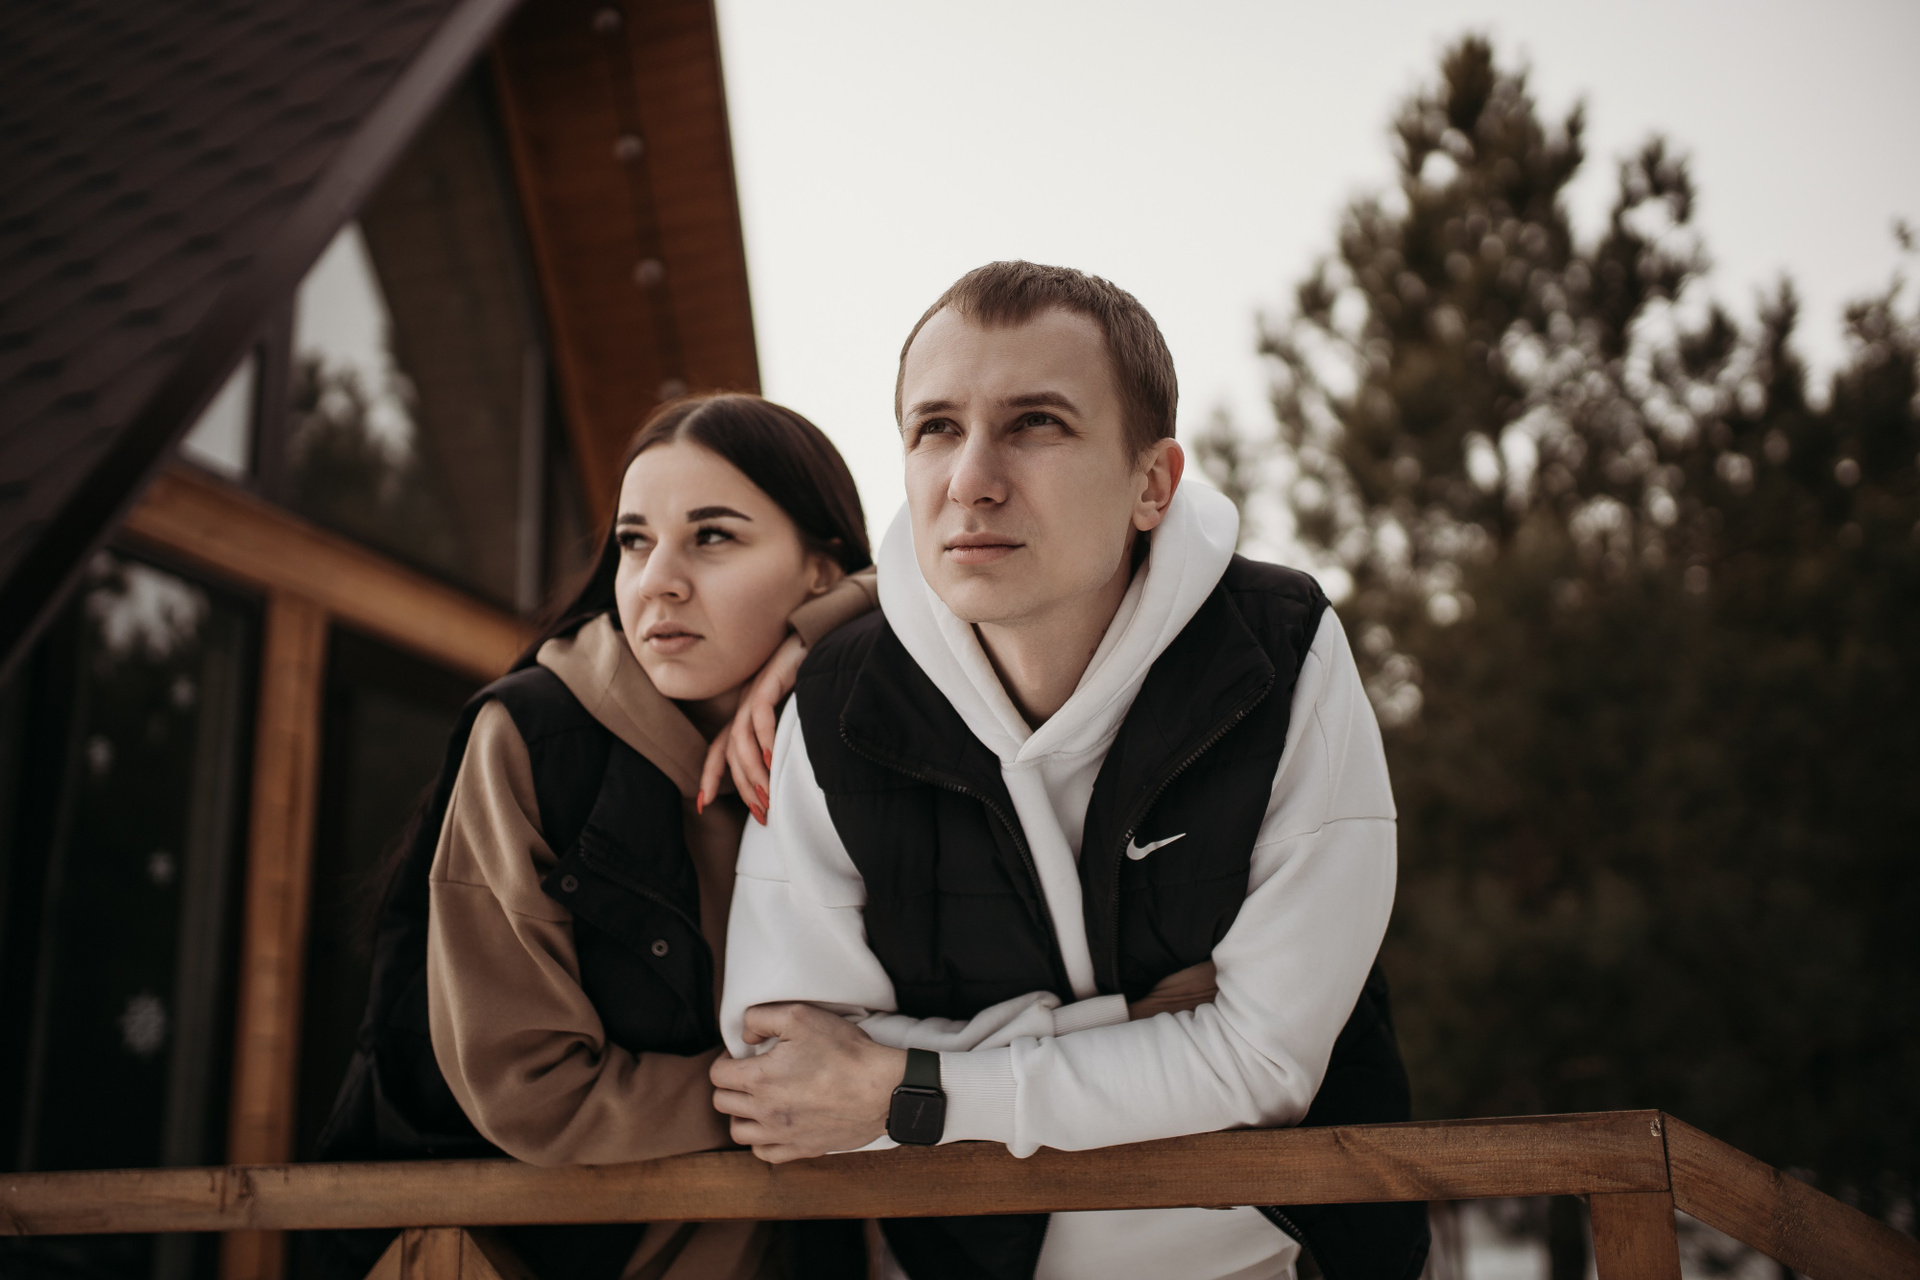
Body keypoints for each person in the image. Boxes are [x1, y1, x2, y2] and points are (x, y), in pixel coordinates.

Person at [712, 264, 1429, 1280]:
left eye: (1036, 423)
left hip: (1277, 1253)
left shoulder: (1277, 653)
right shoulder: (836, 699)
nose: (971, 479)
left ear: (1153, 485)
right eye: (936, 428)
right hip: (974, 1263)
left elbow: (1266, 1066)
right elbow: (785, 1079)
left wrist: (912, 1087)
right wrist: (1142, 1029)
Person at [311, 393, 878, 1280]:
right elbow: (530, 1086)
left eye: (713, 537)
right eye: (634, 541)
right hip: (529, 1255)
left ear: (820, 570)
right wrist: (807, 1097)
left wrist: (828, 634)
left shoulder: (862, 738)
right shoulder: (536, 740)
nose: (658, 581)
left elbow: (947, 592)